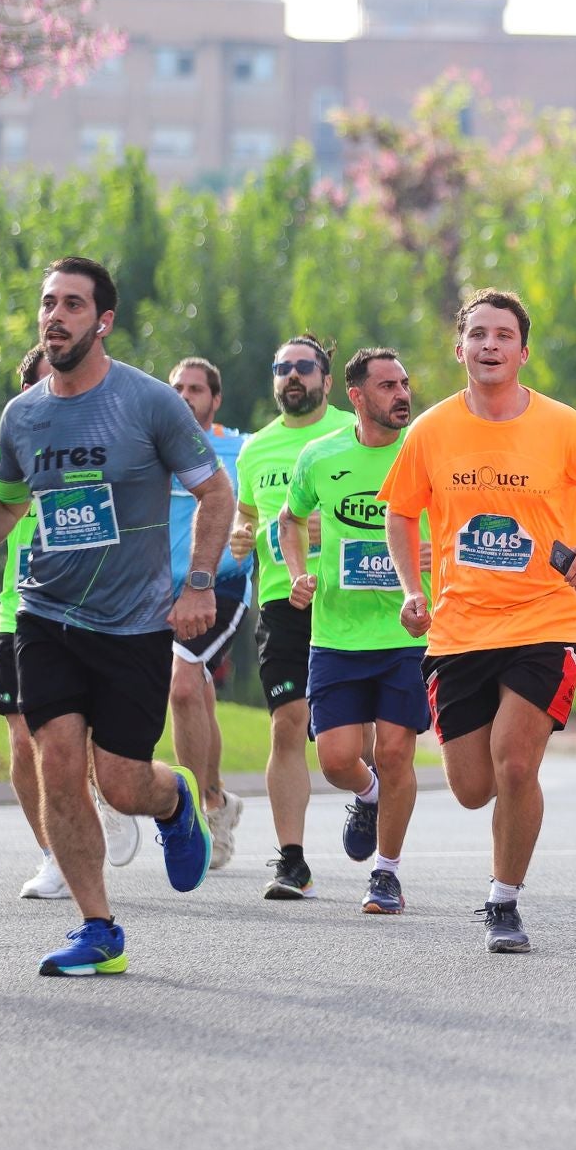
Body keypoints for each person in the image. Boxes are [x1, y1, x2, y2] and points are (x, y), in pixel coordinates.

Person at [0, 256, 228, 976]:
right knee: (59, 763)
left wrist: (198, 584)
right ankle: (98, 928)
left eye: (73, 304)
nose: (55, 316)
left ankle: (174, 804)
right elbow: (10, 498)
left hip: (133, 623)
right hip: (45, 614)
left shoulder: (148, 404)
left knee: (123, 782)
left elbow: (215, 495)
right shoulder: (26, 413)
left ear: (102, 321)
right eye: (48, 303)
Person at [380, 288, 576, 953]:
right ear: (460, 348)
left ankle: (505, 900)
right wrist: (412, 589)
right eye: (478, 335)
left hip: (546, 621)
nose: (490, 345)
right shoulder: (432, 430)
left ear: (523, 352)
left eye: (503, 335)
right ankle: (501, 878)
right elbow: (400, 513)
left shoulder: (562, 427)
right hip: (459, 628)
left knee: (516, 763)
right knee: (472, 787)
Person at [0, 345, 144, 896]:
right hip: (24, 615)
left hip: (93, 614)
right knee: (23, 741)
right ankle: (54, 853)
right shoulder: (6, 455)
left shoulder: (103, 448)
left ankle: (104, 799)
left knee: (85, 744)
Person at [280, 348, 430, 913]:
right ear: (358, 397)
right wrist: (297, 574)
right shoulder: (321, 457)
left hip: (405, 630)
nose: (402, 394)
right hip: (337, 633)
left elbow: (462, 523)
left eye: (405, 382)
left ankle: (386, 874)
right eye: (388, 385)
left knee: (395, 752)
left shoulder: (425, 454)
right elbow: (289, 518)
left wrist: (435, 565)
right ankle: (368, 796)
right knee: (338, 758)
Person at [230, 337, 356, 899]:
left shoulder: (357, 433)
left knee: (357, 738)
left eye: (304, 368)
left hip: (356, 599)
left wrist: (330, 532)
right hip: (284, 601)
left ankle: (370, 793)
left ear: (327, 381)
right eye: (282, 368)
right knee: (286, 724)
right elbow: (246, 517)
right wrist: (239, 537)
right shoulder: (255, 449)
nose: (292, 376)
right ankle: (292, 860)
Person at [166, 357, 249, 869]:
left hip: (220, 587)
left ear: (214, 399)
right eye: (176, 388)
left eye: (195, 389)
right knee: (198, 693)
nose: (184, 396)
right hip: (157, 592)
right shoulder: (154, 444)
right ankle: (219, 801)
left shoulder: (241, 448)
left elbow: (267, 506)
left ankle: (196, 815)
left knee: (181, 685)